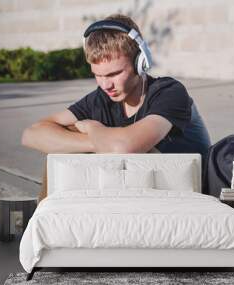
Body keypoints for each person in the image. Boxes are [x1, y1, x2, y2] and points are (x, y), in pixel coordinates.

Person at [21, 14, 211, 201]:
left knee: (116, 147)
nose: (105, 85)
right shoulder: (101, 98)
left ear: (140, 63)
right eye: (98, 75)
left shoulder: (169, 92)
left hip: (186, 196)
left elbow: (126, 147)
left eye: (114, 73)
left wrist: (94, 129)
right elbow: (32, 134)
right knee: (65, 139)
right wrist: (97, 142)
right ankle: (49, 223)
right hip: (143, 191)